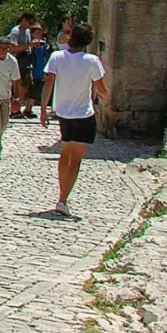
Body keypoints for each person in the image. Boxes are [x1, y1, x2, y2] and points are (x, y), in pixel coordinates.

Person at [41, 22, 107, 217]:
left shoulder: (56, 57)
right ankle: (63, 199)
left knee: (65, 154)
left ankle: (62, 196)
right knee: (76, 159)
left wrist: (43, 108)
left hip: (62, 113)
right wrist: (106, 96)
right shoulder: (92, 61)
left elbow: (48, 83)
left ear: (71, 38)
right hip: (84, 114)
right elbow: (101, 89)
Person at [9, 13, 36, 118]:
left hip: (26, 61)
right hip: (19, 60)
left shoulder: (27, 31)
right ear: (24, 20)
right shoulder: (16, 31)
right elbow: (13, 47)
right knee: (18, 87)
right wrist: (29, 45)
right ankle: (14, 110)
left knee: (25, 87)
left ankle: (19, 108)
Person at [29, 25, 52, 108]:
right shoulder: (31, 44)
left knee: (39, 89)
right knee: (33, 89)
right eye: (37, 33)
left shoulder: (44, 44)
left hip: (42, 69)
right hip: (34, 70)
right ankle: (28, 108)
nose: (39, 34)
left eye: (40, 32)